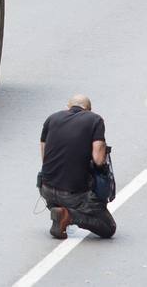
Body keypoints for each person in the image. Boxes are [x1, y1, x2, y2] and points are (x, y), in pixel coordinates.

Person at [38, 93, 116, 240]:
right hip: (73, 194)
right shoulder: (95, 120)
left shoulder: (52, 118)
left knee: (60, 195)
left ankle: (58, 209)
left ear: (67, 107)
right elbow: (98, 160)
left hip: (46, 189)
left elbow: (44, 157)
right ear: (89, 109)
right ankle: (69, 216)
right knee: (108, 228)